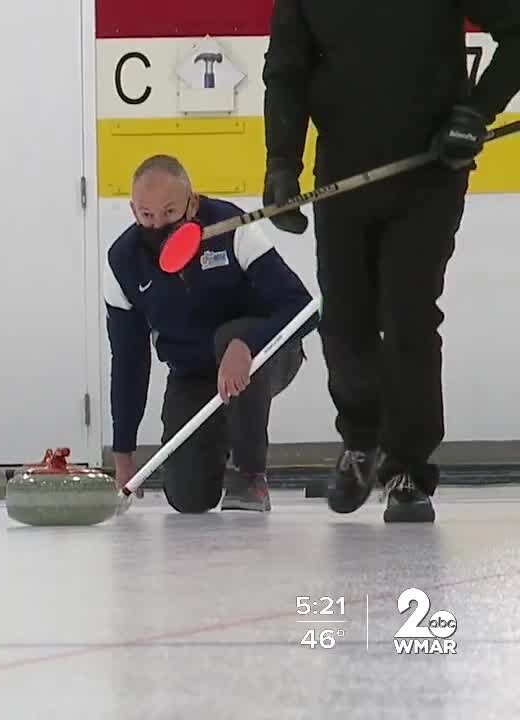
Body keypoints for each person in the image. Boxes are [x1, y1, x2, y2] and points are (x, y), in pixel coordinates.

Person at [262, 0, 520, 522]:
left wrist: (476, 113)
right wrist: (281, 163)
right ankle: (361, 440)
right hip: (344, 172)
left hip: (430, 167)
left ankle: (407, 470)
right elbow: (286, 72)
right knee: (343, 320)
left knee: (408, 314)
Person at [104, 155, 316, 513]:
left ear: (193, 202)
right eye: (146, 216)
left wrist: (246, 343)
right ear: (133, 210)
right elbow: (128, 362)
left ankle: (249, 475)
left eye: (170, 213)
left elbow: (304, 309)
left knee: (230, 335)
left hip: (264, 356)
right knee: (188, 498)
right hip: (193, 372)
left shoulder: (232, 227)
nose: (158, 225)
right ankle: (218, 438)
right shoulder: (123, 261)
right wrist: (123, 452)